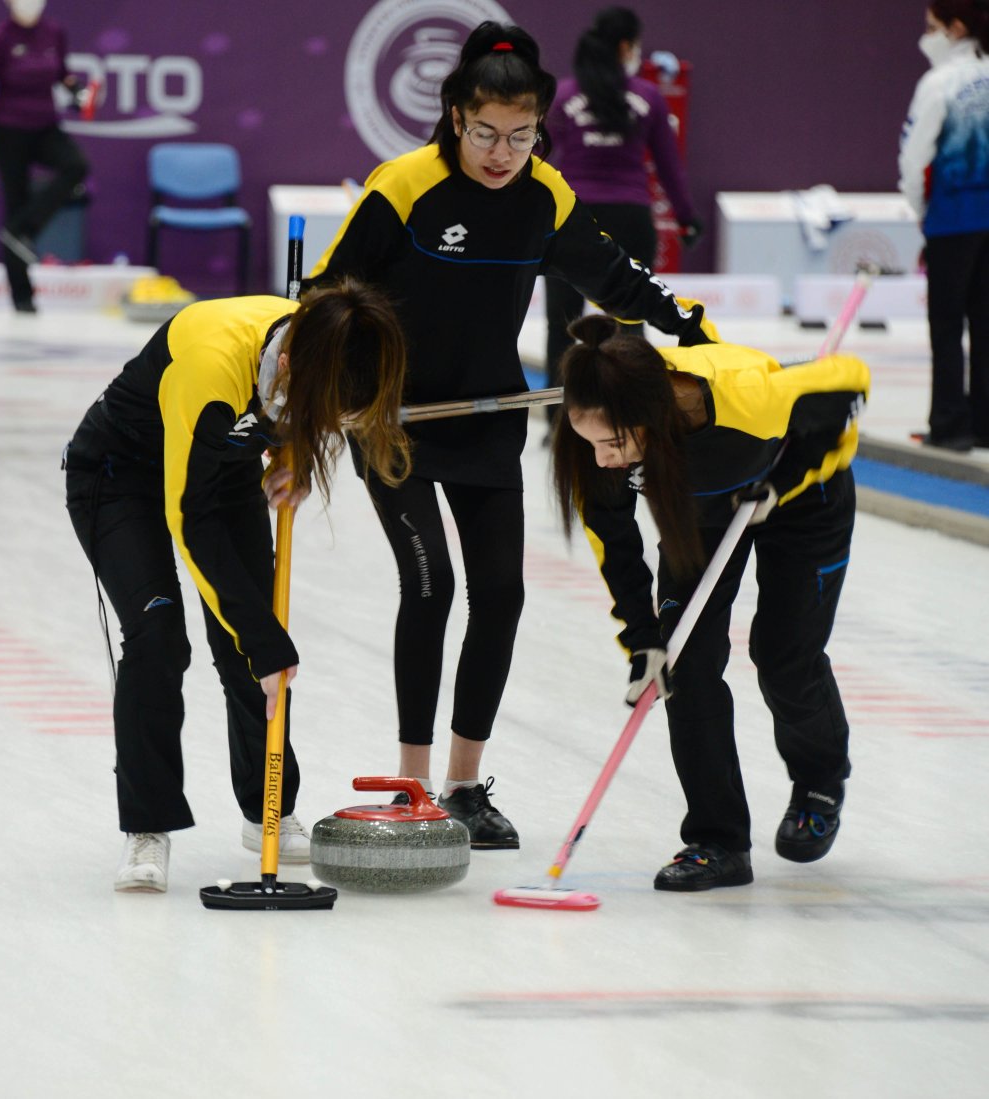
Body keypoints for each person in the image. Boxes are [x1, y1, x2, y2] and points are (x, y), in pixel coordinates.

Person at [301, 20, 717, 849]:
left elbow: (614, 276)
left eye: (521, 135)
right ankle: (411, 785)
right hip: (395, 421)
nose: (502, 151)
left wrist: (691, 329)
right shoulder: (405, 186)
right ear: (456, 117)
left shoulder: (545, 195)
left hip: (488, 414)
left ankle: (463, 787)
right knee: (431, 589)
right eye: (487, 133)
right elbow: (327, 293)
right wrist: (321, 388)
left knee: (502, 597)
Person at [64, 279, 411, 892]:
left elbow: (304, 418)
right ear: (285, 365)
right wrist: (266, 644)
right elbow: (187, 518)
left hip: (221, 472)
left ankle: (268, 808)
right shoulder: (212, 366)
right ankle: (147, 826)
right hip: (120, 476)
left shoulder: (333, 342)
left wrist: (293, 460)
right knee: (160, 635)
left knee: (250, 647)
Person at [552, 314, 870, 891]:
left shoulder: (751, 399)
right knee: (683, 665)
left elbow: (848, 381)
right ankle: (717, 841)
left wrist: (788, 478)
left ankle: (820, 781)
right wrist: (642, 637)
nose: (601, 459)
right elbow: (615, 545)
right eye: (589, 443)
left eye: (612, 444)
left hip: (802, 499)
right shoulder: (604, 439)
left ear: (650, 418)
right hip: (698, 504)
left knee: (783, 653)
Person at [543, 6, 701, 438]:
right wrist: (686, 218)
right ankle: (635, 415)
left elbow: (535, 157)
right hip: (631, 219)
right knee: (632, 324)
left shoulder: (563, 97)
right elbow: (670, 167)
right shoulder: (649, 96)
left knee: (561, 322)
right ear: (626, 47)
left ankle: (558, 422)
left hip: (570, 217)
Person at [899, 0, 989, 452]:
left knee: (948, 322)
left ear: (956, 28)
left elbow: (913, 159)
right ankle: (985, 422)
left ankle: (951, 425)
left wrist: (921, 210)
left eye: (932, 26)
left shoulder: (939, 83)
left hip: (953, 218)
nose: (927, 34)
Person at [0, 0, 91, 313]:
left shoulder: (53, 33)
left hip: (46, 125)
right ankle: (23, 297)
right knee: (15, 202)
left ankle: (24, 227)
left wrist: (78, 93)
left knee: (76, 165)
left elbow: (62, 73)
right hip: (9, 129)